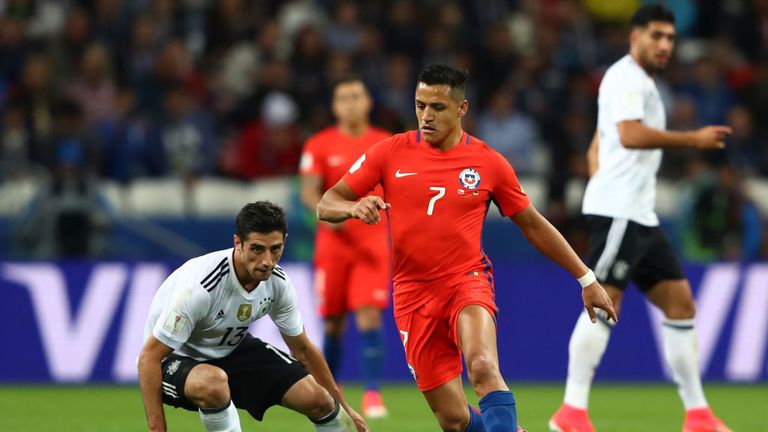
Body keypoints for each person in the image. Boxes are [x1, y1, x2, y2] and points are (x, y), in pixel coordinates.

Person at [317, 64, 617, 432]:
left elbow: (532, 224)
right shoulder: (390, 152)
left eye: (437, 107)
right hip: (412, 294)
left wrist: (586, 279)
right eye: (420, 105)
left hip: (466, 281)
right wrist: (352, 207)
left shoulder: (488, 162)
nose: (426, 116)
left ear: (462, 109)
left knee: (483, 367)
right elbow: (327, 202)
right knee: (454, 419)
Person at [549, 5, 733, 432]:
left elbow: (603, 138)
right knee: (603, 302)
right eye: (656, 36)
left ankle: (698, 414)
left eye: (670, 38)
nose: (665, 45)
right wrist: (693, 138)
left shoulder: (635, 83)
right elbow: (630, 134)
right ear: (635, 38)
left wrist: (602, 173)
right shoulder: (627, 77)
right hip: (619, 213)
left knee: (680, 303)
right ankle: (570, 412)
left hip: (639, 214)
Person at [138, 201, 367, 432]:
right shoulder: (200, 288)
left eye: (275, 249)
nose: (267, 261)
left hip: (229, 349)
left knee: (320, 401)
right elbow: (149, 358)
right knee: (213, 383)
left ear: (284, 241)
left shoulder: (278, 284)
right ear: (238, 243)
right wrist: (157, 427)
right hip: (174, 360)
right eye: (257, 249)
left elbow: (303, 351)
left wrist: (344, 405)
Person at [299, 76, 392, 418]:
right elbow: (309, 193)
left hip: (372, 241)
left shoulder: (385, 143)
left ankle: (372, 393)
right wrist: (326, 215)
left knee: (369, 315)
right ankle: (330, 391)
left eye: (357, 96)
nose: (351, 103)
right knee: (334, 323)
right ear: (335, 106)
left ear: (368, 102)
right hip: (334, 244)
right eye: (344, 98)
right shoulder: (319, 145)